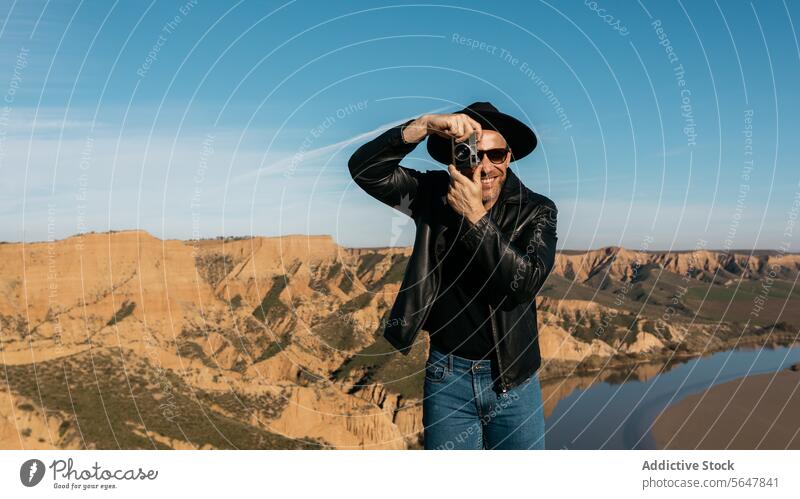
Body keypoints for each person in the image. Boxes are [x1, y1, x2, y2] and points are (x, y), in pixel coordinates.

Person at [348, 102, 558, 449]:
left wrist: (475, 216)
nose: (485, 167)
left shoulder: (537, 210)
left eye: (497, 154)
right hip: (448, 378)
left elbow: (524, 284)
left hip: (514, 381)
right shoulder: (431, 196)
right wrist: (422, 125)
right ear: (456, 157)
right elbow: (365, 170)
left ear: (509, 158)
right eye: (473, 154)